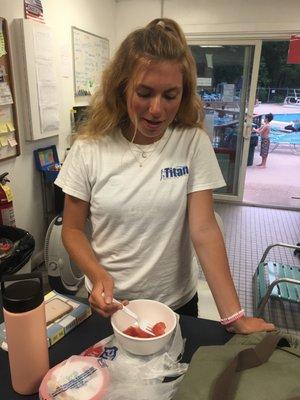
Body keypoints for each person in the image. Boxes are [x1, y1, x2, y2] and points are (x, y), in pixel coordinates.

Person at [55, 18, 274, 334]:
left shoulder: (191, 142)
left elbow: (204, 228)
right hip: (114, 306)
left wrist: (234, 317)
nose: (156, 109)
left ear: (183, 95)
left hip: (177, 306)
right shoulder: (90, 148)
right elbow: (73, 230)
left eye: (170, 95)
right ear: (122, 87)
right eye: (144, 93)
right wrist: (97, 274)